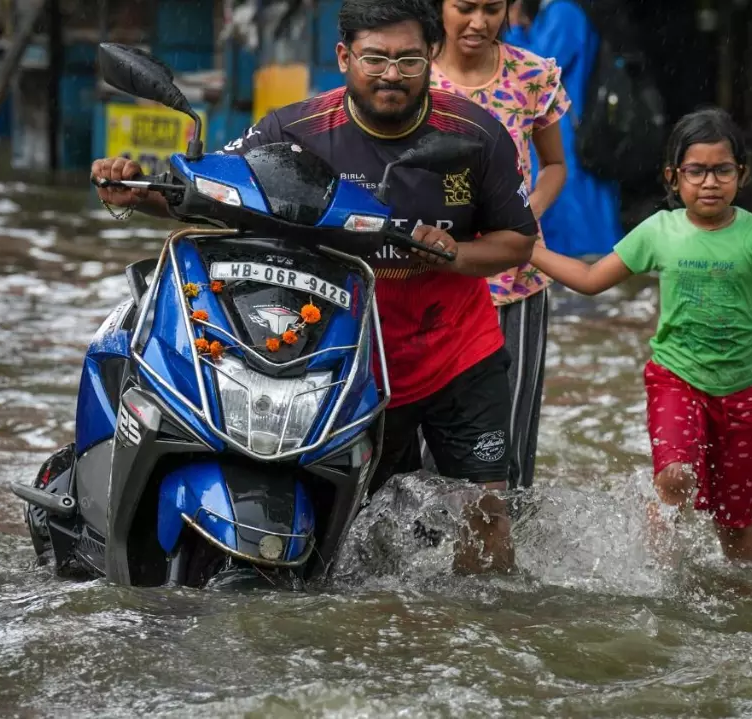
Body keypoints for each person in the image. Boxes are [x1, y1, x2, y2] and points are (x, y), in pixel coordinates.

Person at [91, 0, 538, 575]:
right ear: (344, 56)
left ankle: (485, 642)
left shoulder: (475, 135)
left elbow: (517, 242)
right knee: (348, 533)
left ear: (431, 55)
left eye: (407, 59)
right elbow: (220, 191)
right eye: (374, 58)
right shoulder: (292, 129)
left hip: (457, 354)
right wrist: (137, 190)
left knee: (486, 515)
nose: (391, 74)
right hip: (343, 357)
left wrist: (455, 254)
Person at [527, 108, 752, 564]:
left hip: (743, 391)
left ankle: (745, 595)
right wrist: (528, 251)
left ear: (741, 174)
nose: (710, 182)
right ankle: (661, 574)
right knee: (675, 477)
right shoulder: (659, 231)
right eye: (697, 171)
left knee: (735, 521)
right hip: (676, 380)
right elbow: (590, 279)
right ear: (674, 177)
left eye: (722, 170)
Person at [429, 0, 571, 488]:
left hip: (516, 282)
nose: (478, 22)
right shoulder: (411, 75)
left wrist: (520, 217)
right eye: (464, 7)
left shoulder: (532, 75)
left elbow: (555, 166)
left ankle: (502, 549)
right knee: (425, 432)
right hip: (432, 278)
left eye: (492, 9)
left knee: (507, 434)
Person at [506, 0, 622, 258]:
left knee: (571, 206)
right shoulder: (554, 11)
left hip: (565, 129)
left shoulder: (564, 11)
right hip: (559, 126)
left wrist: (513, 28)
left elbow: (534, 67)